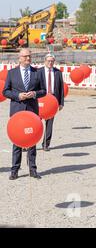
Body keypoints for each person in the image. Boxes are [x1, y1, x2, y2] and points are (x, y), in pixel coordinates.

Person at [2, 48, 46, 180]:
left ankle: (33, 169)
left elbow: (43, 91)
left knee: (32, 139)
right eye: (26, 56)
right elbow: (6, 92)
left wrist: (34, 94)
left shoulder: (37, 72)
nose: (28, 59)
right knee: (17, 141)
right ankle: (14, 170)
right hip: (17, 111)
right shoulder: (11, 73)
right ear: (19, 58)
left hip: (32, 111)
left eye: (29, 56)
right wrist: (18, 95)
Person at [38, 53, 64, 151]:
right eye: (48, 61)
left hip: (52, 101)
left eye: (52, 61)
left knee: (49, 123)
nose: (50, 63)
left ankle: (46, 144)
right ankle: (29, 143)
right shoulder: (38, 72)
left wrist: (61, 103)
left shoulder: (58, 72)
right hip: (40, 100)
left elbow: (61, 88)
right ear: (44, 61)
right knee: (37, 121)